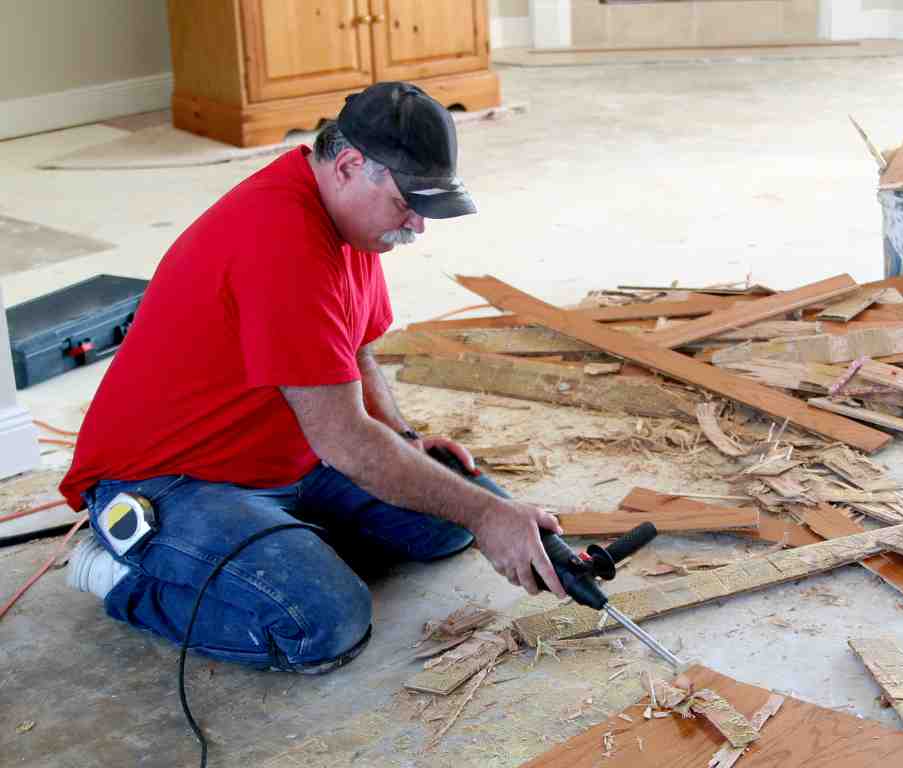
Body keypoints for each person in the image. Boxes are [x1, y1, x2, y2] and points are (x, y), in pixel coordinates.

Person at [58, 81, 566, 674]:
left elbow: (359, 352)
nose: (418, 228)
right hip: (175, 477)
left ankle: (279, 540)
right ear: (352, 166)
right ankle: (120, 574)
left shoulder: (350, 221)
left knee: (446, 523)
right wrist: (485, 516)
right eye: (409, 205)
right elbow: (345, 439)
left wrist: (402, 438)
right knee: (323, 622)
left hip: (293, 454)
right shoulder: (281, 241)